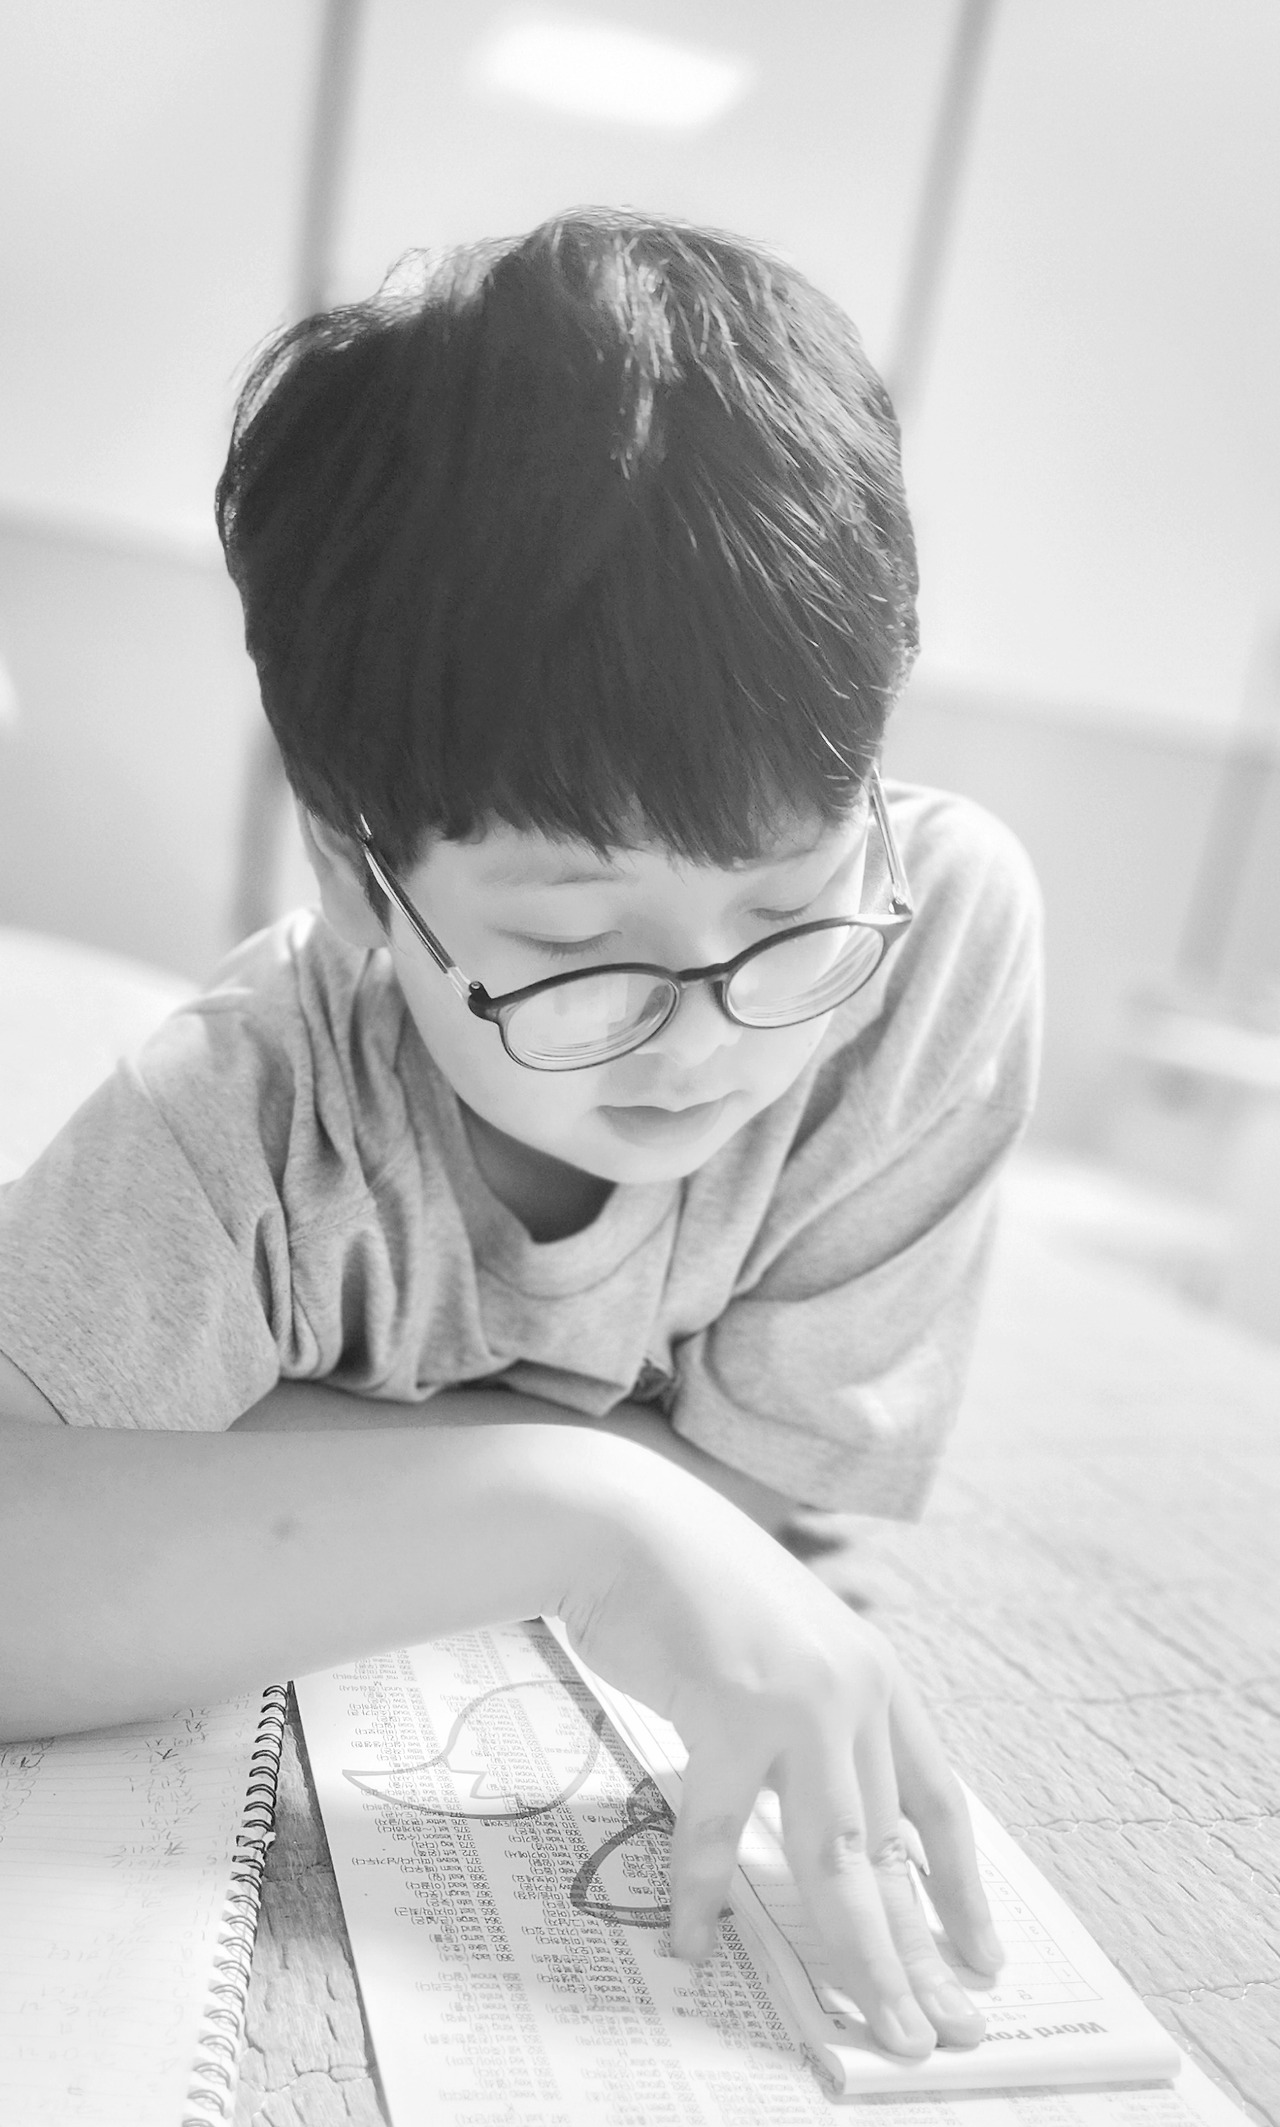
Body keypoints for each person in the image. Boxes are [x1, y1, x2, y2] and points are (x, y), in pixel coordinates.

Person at [0, 209, 1039, 2061]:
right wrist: (586, 1503)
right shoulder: (251, 1112)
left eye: (788, 903)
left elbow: (770, 1493)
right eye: (577, 952)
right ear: (355, 874)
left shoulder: (932, 933)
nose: (709, 1038)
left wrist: (269, 1440)